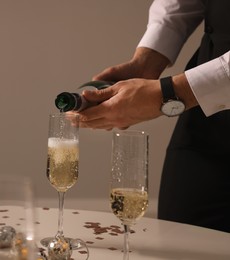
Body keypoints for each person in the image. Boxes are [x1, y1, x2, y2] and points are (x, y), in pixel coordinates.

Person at [77, 0, 230, 233]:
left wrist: (168, 94)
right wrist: (147, 61)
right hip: (208, 120)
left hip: (199, 91)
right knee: (181, 239)